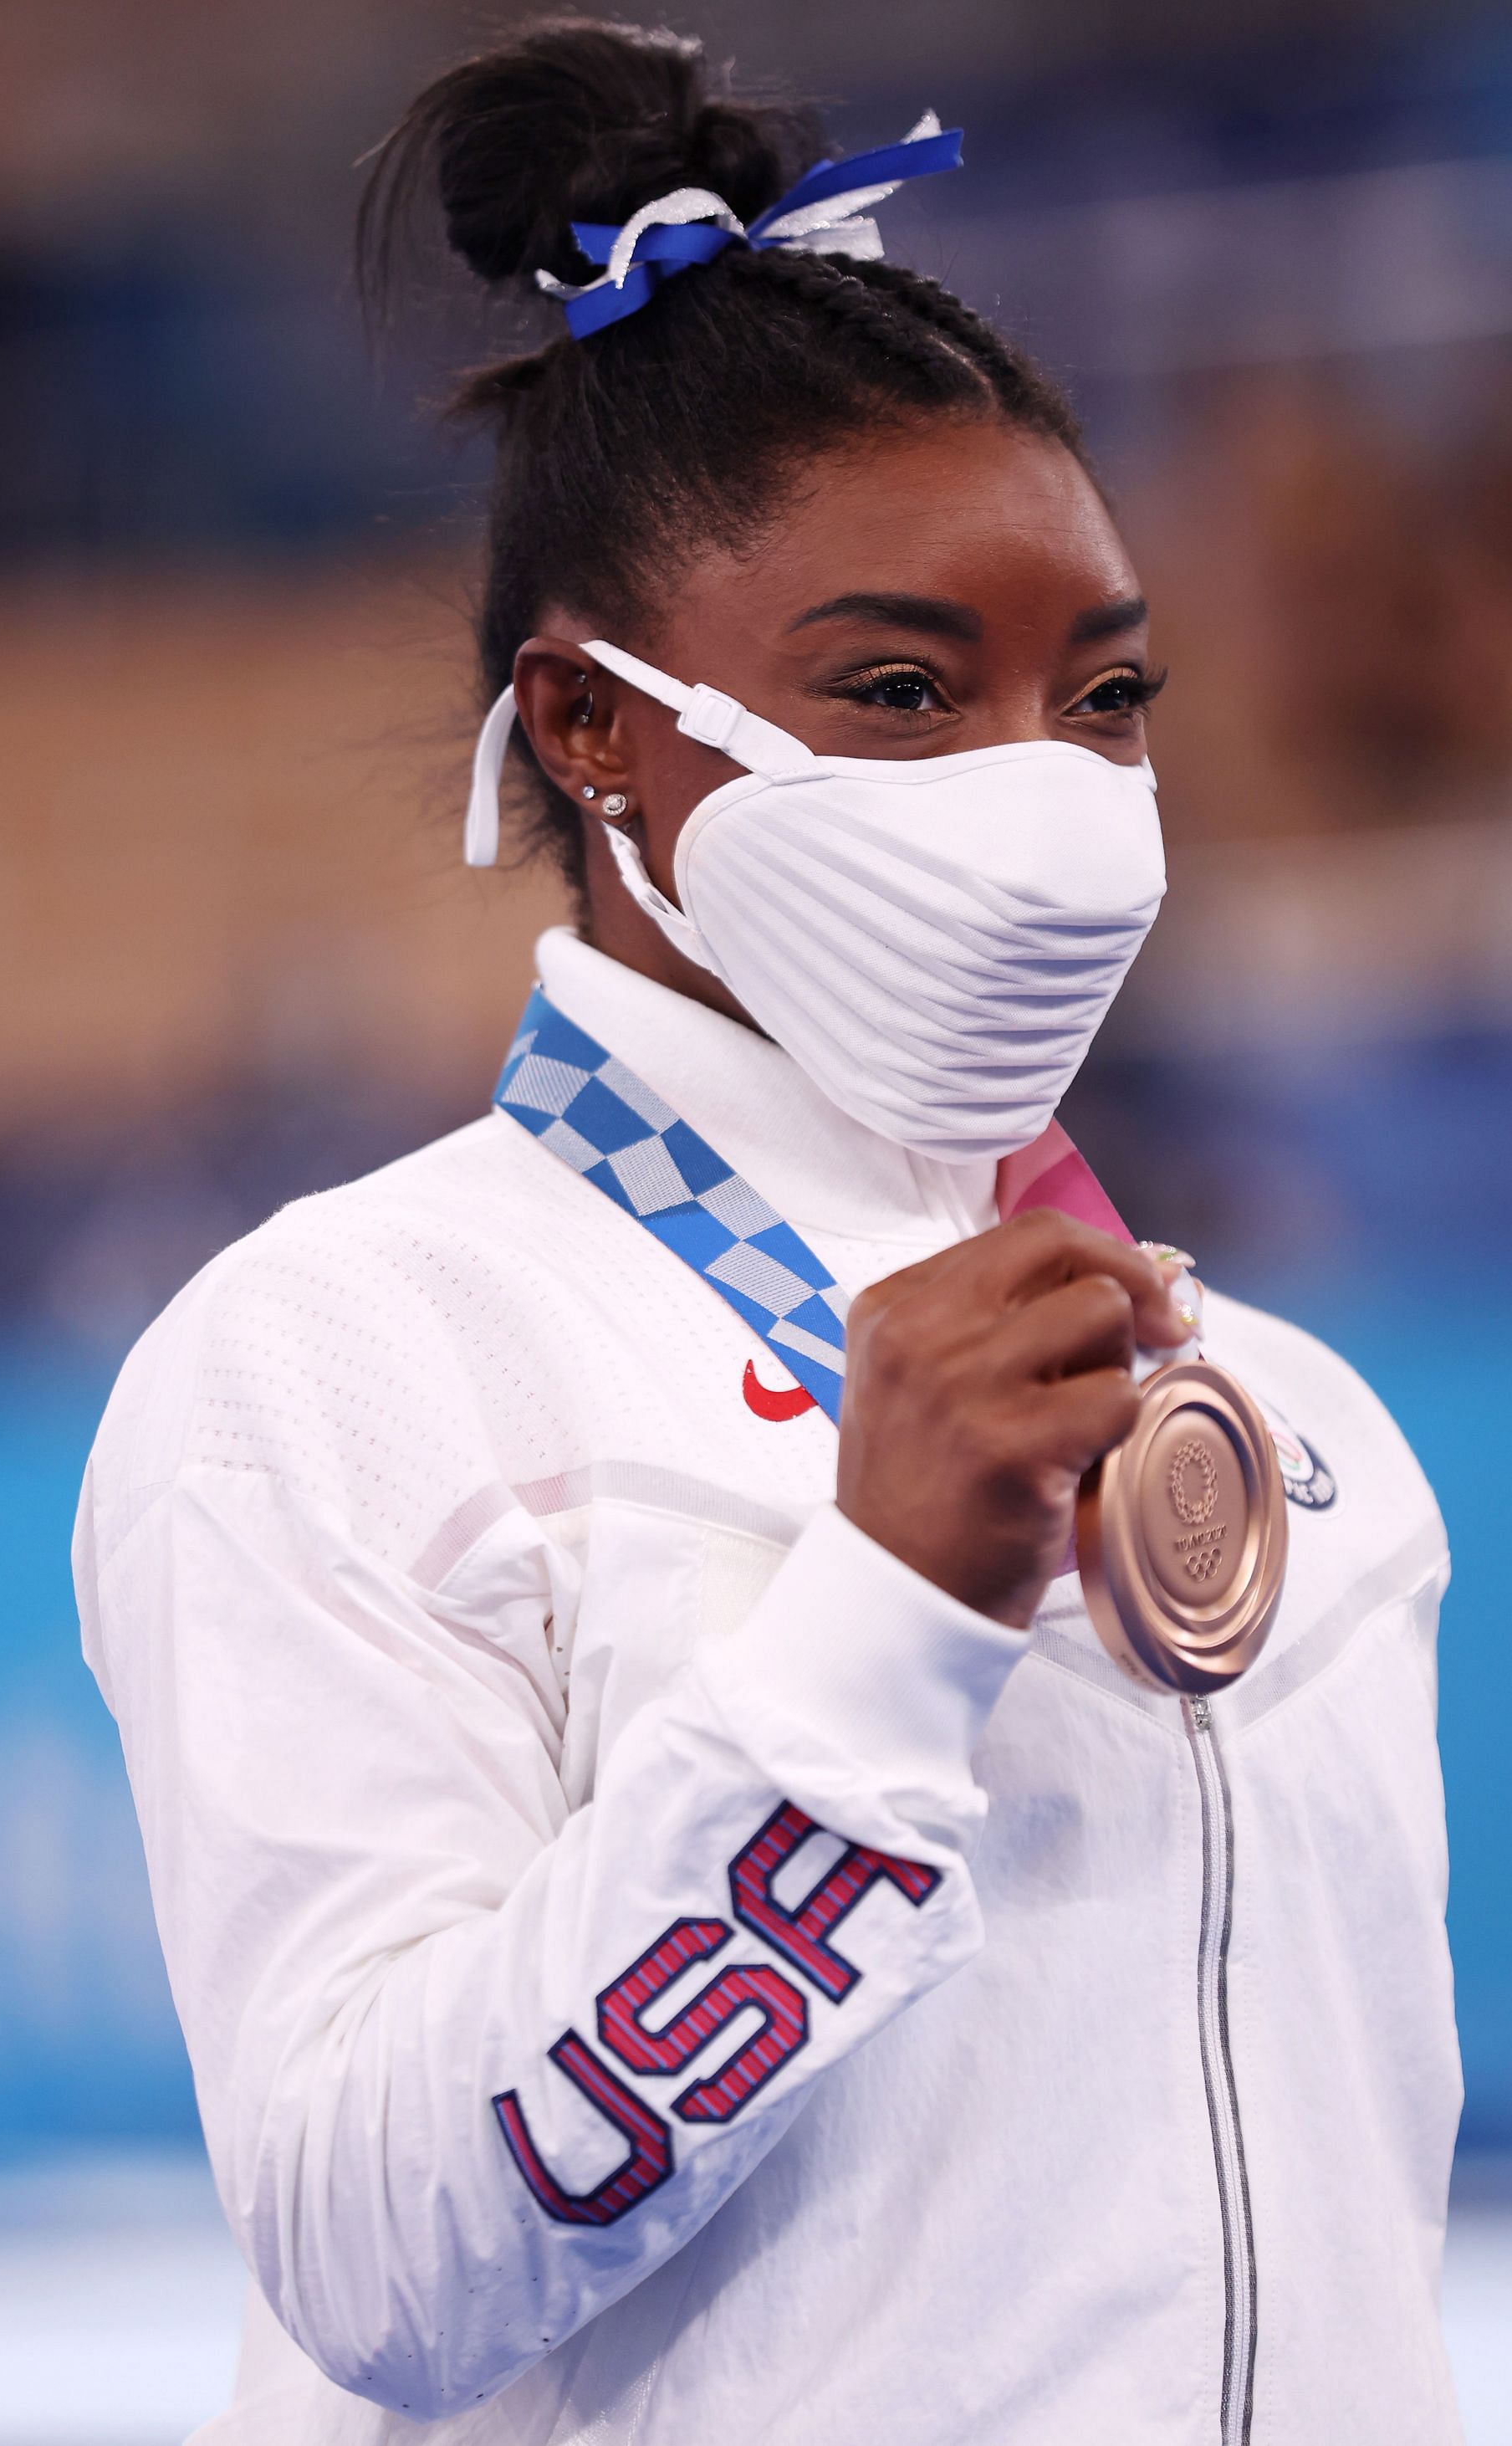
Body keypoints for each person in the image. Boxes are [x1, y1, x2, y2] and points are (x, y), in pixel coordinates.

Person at [73, 22, 1462, 2443]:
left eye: (1105, 693)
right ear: (595, 728)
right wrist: (876, 1632)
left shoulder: (1299, 1437)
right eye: (904, 689)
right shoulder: (342, 1359)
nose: (1045, 788)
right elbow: (383, 2259)